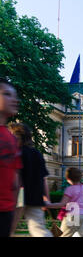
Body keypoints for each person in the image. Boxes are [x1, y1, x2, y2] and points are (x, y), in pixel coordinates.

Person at [8, 122, 53, 237]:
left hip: (20, 196)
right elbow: (44, 179)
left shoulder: (17, 154)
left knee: (9, 228)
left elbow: (17, 177)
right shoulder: (37, 154)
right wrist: (46, 198)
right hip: (35, 197)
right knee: (39, 229)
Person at [0, 78, 21, 237]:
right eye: (7, 94)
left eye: (15, 95)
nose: (14, 100)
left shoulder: (11, 138)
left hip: (5, 212)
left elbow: (15, 182)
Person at [46, 167, 83, 237]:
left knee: (64, 235)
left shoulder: (70, 189)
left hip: (73, 216)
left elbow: (62, 204)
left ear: (68, 178)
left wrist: (48, 205)